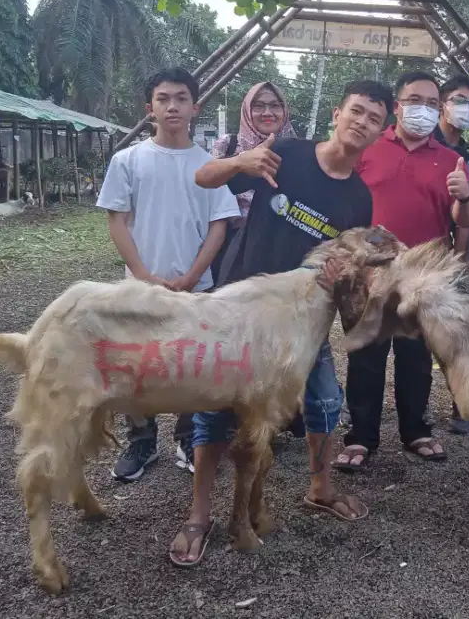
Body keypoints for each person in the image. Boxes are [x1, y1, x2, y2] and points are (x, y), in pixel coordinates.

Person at [167, 79, 393, 567]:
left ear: (381, 131)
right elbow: (205, 177)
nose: (362, 122)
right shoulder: (286, 153)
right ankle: (199, 513)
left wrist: (342, 276)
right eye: (356, 111)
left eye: (374, 118)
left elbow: (353, 275)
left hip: (305, 322)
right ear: (337, 113)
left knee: (326, 401)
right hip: (241, 311)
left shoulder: (358, 200)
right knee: (217, 408)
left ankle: (320, 488)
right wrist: (240, 163)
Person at [96, 67, 240, 482]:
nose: (172, 106)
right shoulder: (128, 161)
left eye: (181, 98)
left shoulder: (210, 166)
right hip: (140, 289)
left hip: (197, 288)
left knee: (190, 366)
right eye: (163, 98)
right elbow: (118, 221)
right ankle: (141, 442)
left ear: (196, 107)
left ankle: (186, 437)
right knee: (134, 367)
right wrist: (142, 275)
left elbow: (219, 224)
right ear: (150, 108)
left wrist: (194, 275)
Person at [335, 71, 469, 472]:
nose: (425, 109)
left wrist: (464, 196)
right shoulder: (367, 147)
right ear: (397, 106)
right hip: (368, 273)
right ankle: (361, 436)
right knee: (366, 355)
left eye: (433, 104)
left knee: (416, 357)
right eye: (415, 100)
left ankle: (415, 430)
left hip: (423, 278)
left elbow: (466, 220)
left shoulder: (452, 160)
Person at [208, 81, 306, 440]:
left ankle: (274, 417)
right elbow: (206, 182)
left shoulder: (298, 150)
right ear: (247, 110)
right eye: (260, 105)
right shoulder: (228, 145)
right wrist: (239, 163)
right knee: (233, 333)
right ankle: (223, 421)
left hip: (279, 248)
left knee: (277, 335)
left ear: (285, 111)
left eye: (275, 105)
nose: (268, 113)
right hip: (234, 247)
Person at [432, 74, 469, 434]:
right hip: (415, 249)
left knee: (456, 327)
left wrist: (461, 255)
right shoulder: (420, 140)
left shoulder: (468, 156)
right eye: (458, 99)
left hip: (452, 253)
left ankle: (461, 401)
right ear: (442, 103)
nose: (464, 109)